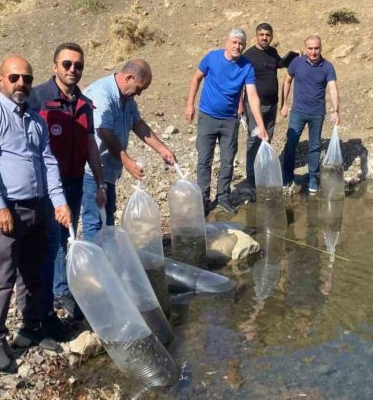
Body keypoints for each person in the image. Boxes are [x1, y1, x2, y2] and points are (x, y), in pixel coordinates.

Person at [0, 55, 72, 373]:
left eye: (26, 78)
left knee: (35, 273)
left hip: (37, 206)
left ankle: (32, 328)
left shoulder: (36, 120)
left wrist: (59, 201)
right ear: (1, 80)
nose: (21, 84)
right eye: (14, 78)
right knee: (3, 277)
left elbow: (48, 161)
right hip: (7, 210)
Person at [26, 43, 106, 326]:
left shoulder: (84, 104)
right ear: (55, 67)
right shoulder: (37, 98)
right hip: (44, 186)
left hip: (72, 180)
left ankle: (61, 289)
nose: (73, 70)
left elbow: (90, 144)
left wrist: (100, 182)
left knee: (66, 236)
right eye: (67, 64)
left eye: (79, 66)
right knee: (46, 239)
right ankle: (49, 294)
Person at [80, 59, 176, 240]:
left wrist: (163, 150)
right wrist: (127, 160)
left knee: (107, 219)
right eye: (139, 88)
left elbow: (138, 124)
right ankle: (95, 264)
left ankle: (107, 261)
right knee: (94, 221)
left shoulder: (127, 97)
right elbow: (103, 131)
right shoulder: (102, 94)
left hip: (109, 171)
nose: (139, 94)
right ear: (128, 77)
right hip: (92, 170)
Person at [185, 27, 269, 214]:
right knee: (204, 159)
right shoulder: (212, 58)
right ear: (227, 42)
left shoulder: (246, 66)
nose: (237, 47)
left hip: (230, 120)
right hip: (207, 116)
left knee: (227, 160)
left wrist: (261, 125)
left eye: (241, 44)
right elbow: (196, 78)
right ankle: (203, 198)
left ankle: (223, 196)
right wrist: (189, 104)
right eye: (234, 42)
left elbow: (253, 96)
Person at [240, 23, 298, 201]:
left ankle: (263, 173)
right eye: (261, 34)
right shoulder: (248, 55)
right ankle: (251, 180)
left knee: (268, 139)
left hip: (272, 104)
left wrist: (293, 57)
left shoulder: (272, 52)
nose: (264, 37)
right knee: (254, 140)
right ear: (256, 36)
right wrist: (239, 104)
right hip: (253, 105)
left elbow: (278, 65)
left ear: (271, 36)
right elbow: (240, 80)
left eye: (267, 35)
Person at [280, 35, 340, 194]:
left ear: (321, 48)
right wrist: (284, 104)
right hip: (298, 111)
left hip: (317, 113)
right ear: (305, 48)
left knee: (315, 146)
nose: (313, 52)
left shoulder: (327, 66)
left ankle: (313, 177)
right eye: (310, 48)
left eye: (317, 48)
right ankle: (287, 176)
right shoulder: (296, 63)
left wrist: (336, 110)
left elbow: (333, 88)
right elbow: (287, 81)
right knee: (291, 143)